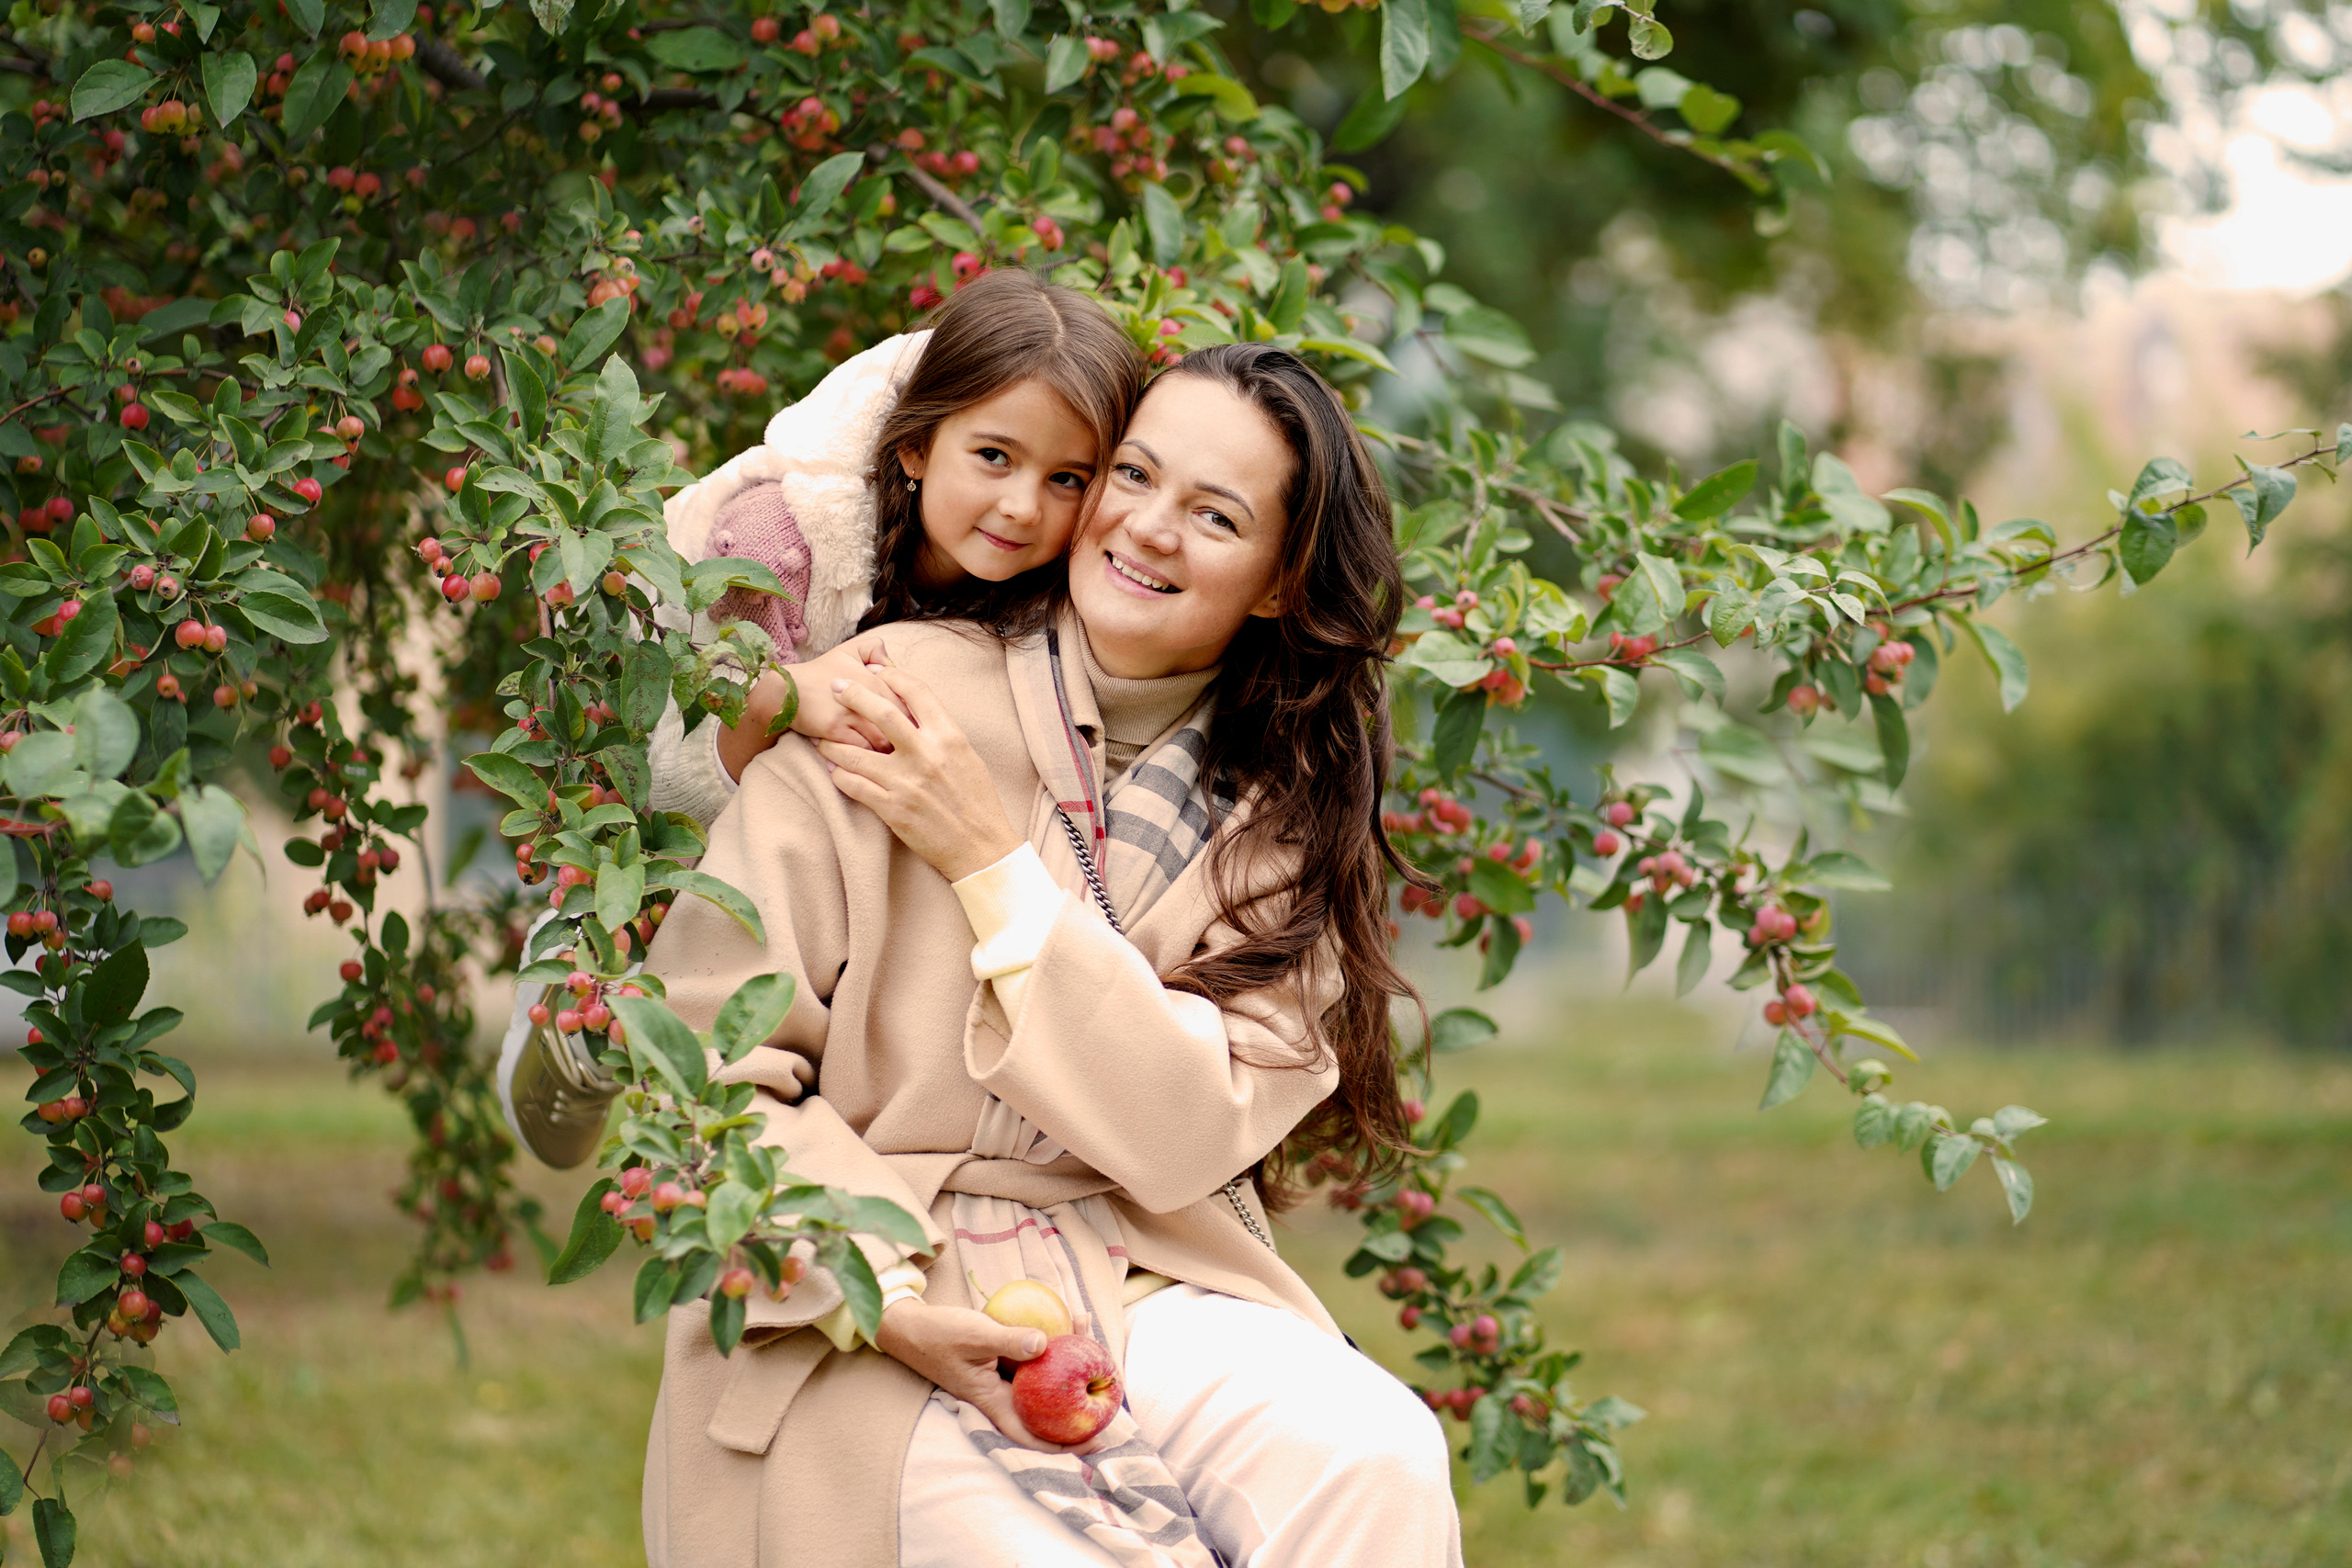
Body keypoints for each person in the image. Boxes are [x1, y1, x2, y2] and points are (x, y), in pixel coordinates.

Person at [639, 344, 1463, 1567]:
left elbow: (1191, 1127)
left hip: (1132, 1264)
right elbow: (700, 1066)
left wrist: (989, 861)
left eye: (1216, 514)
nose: (1151, 527)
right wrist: (886, 1297)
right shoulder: (889, 698)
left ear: (1281, 583)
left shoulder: (1283, 818)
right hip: (865, 1273)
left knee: (1374, 1456)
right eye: (1134, 475)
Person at [498, 271, 1142, 1166]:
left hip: (834, 883)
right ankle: (590, 977)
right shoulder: (779, 538)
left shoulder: (1042, 596)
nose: (1023, 505)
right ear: (915, 448)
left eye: (1067, 478)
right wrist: (792, 696)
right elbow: (685, 750)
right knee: (649, 975)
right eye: (994, 456)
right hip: (671, 810)